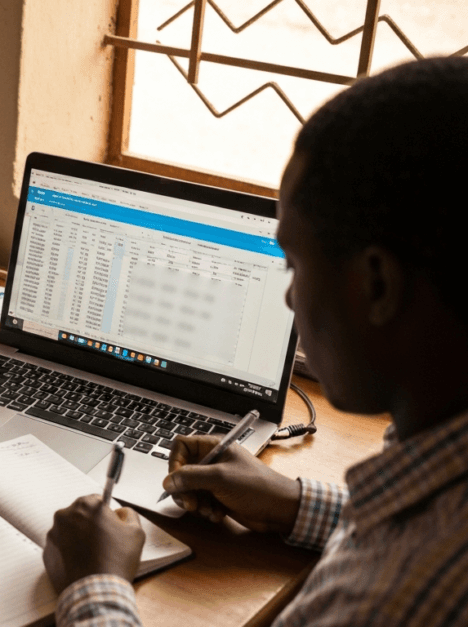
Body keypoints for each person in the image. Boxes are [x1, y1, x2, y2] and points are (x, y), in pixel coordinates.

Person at [42, 56, 468, 627]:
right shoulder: (438, 455)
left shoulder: (394, 597)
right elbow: (411, 515)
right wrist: (291, 504)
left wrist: (94, 585)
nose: (290, 298)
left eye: (293, 265)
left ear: (377, 286)